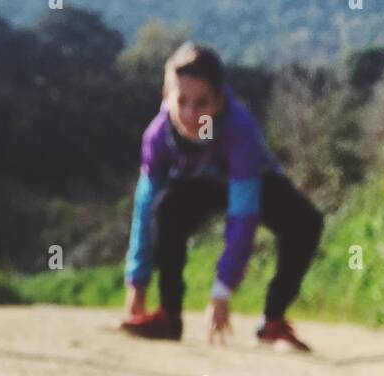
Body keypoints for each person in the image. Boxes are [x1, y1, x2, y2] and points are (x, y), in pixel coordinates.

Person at [121, 42, 323, 351]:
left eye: (202, 103)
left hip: (252, 180)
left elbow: (243, 216)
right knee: (163, 208)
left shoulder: (240, 129)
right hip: (195, 187)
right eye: (182, 101)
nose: (190, 114)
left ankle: (273, 321)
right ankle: (168, 315)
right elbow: (143, 209)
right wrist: (137, 282)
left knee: (305, 222)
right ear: (167, 97)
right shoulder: (157, 136)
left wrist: (222, 291)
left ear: (219, 100)